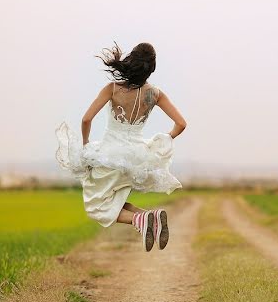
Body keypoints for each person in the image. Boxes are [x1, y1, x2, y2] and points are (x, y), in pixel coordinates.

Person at [56, 42, 187, 251]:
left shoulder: (113, 89)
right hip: (138, 155)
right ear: (151, 68)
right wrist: (163, 140)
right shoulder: (155, 94)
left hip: (110, 153)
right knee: (114, 200)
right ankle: (149, 218)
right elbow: (181, 124)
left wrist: (86, 146)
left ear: (131, 60)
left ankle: (141, 220)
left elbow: (86, 120)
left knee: (96, 206)